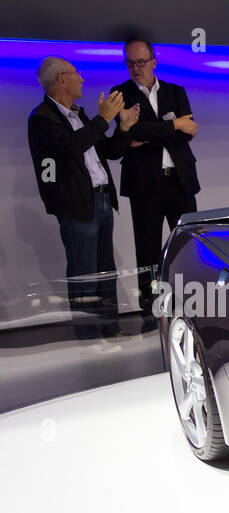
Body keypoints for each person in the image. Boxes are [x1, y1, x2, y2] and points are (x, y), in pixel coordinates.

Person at [28, 55, 139, 339]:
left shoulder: (80, 115)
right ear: (62, 79)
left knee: (105, 272)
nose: (82, 79)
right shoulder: (42, 119)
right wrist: (103, 118)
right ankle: (89, 336)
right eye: (77, 74)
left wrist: (123, 127)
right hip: (78, 206)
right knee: (84, 275)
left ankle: (110, 330)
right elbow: (72, 146)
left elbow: (110, 151)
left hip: (101, 200)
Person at [112, 39, 199, 327]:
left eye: (140, 62)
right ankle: (152, 313)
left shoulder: (175, 91)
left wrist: (146, 135)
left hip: (179, 181)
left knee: (188, 246)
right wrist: (173, 125)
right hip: (144, 184)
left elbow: (189, 133)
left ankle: (191, 305)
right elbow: (131, 132)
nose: (135, 68)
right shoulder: (120, 94)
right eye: (130, 63)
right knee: (148, 251)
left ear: (153, 61)